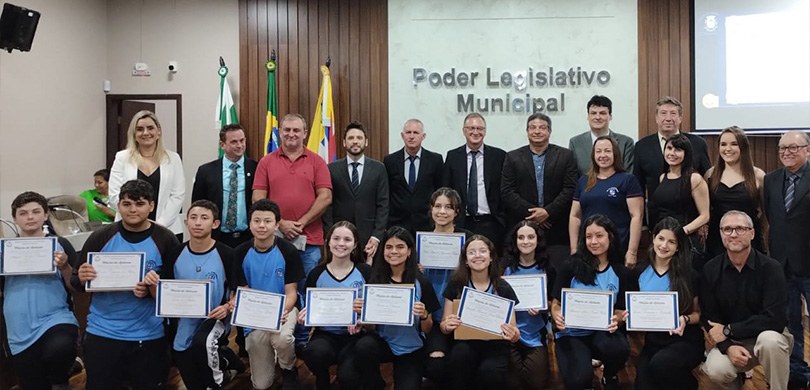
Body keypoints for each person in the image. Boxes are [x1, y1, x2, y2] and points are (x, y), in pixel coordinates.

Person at [74, 179, 180, 390]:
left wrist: (152, 290)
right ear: (119, 205)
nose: (132, 210)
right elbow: (76, 283)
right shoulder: (100, 237)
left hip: (148, 334)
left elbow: (174, 296)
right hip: (102, 332)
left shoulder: (166, 239)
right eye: (126, 204)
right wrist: (82, 276)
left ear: (151, 206)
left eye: (140, 204)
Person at [252, 113, 332, 349]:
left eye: (296, 130)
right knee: (276, 289)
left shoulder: (317, 161)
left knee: (307, 290)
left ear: (305, 133)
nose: (291, 134)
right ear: (280, 132)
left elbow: (326, 196)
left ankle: (301, 341)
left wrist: (301, 222)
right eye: (286, 130)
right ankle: (275, 341)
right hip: (274, 240)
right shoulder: (266, 162)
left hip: (310, 240)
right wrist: (280, 223)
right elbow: (258, 197)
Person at [155, 200, 244, 390]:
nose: (197, 223)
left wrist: (227, 307)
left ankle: (215, 384)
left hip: (216, 317)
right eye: (193, 218)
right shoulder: (175, 253)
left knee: (203, 343)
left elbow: (239, 290)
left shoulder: (227, 253)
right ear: (186, 222)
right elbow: (166, 289)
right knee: (181, 351)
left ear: (215, 224)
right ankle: (226, 359)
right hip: (185, 317)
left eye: (204, 218)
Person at [701, 211, 792, 390]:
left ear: (751, 233)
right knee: (715, 369)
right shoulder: (710, 270)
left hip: (768, 335)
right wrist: (728, 347)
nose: (733, 234)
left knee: (770, 342)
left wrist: (729, 330)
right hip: (733, 341)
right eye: (727, 229)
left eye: (740, 229)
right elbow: (710, 318)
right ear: (720, 234)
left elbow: (775, 318)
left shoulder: (772, 268)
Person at [3, 191, 79, 390]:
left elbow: (76, 287)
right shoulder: (5, 250)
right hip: (18, 324)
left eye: (36, 212)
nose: (30, 217)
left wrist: (64, 267)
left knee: (59, 350)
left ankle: (64, 373)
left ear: (45, 215)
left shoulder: (61, 245)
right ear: (15, 218)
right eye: (23, 213)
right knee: (32, 383)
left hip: (55, 317)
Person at [352, 226, 440, 389]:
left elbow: (427, 329)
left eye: (400, 247)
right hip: (383, 341)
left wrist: (423, 315)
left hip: (412, 348)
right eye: (389, 247)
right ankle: (376, 384)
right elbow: (371, 328)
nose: (394, 252)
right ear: (383, 250)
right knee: (363, 347)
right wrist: (363, 313)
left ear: (409, 252)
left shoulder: (422, 282)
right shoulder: (375, 281)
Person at [551, 214, 630, 390]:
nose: (593, 241)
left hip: (602, 332)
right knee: (579, 381)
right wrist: (557, 315)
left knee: (619, 349)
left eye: (599, 235)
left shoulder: (621, 272)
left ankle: (609, 374)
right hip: (572, 333)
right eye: (588, 236)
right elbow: (556, 303)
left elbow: (621, 310)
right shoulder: (570, 266)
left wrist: (617, 319)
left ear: (611, 236)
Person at [232, 199, 304, 390]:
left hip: (285, 309)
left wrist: (282, 311)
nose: (262, 226)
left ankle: (288, 367)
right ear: (250, 223)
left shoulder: (288, 251)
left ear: (277, 224)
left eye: (267, 221)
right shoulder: (239, 253)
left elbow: (291, 293)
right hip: (255, 315)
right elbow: (243, 291)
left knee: (282, 339)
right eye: (257, 221)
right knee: (262, 385)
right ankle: (270, 364)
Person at [630, 217, 703, 390]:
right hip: (654, 341)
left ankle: (689, 384)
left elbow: (699, 314)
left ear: (678, 246)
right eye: (661, 238)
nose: (664, 245)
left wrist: (684, 319)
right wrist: (631, 316)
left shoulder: (689, 275)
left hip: (685, 340)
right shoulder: (639, 272)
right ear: (653, 238)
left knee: (661, 365)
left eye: (671, 242)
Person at [440, 235, 521, 390]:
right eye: (472, 252)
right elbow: (444, 326)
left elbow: (514, 331)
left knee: (489, 372)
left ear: (491, 257)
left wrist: (513, 334)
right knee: (459, 358)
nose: (477, 255)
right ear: (465, 260)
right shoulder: (456, 285)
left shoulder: (503, 287)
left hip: (495, 346)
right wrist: (447, 325)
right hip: (465, 343)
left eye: (483, 251)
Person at [297, 221, 372, 390]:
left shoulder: (365, 271)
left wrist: (362, 317)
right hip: (325, 334)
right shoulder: (317, 273)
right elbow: (311, 307)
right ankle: (321, 378)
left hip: (355, 337)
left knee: (348, 379)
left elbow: (375, 308)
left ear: (355, 245)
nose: (341, 244)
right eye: (336, 238)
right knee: (314, 353)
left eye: (347, 239)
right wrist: (307, 315)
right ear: (328, 242)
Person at [762, 130, 810, 387]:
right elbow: (773, 217)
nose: (787, 152)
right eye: (783, 148)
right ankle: (798, 374)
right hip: (782, 264)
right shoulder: (770, 180)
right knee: (791, 324)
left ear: (807, 150)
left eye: (793, 147)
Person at [502, 113, 579, 270]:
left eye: (542, 128)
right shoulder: (512, 157)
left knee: (557, 273)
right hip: (521, 227)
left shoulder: (566, 156)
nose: (537, 131)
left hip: (557, 229)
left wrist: (548, 211)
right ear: (527, 131)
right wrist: (534, 214)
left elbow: (570, 188)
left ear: (549, 131)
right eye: (533, 127)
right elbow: (507, 191)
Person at [420, 187, 473, 385]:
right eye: (438, 206)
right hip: (432, 314)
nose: (442, 212)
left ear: (456, 212)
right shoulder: (420, 240)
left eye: (448, 207)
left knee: (462, 360)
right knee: (436, 366)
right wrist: (416, 270)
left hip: (461, 315)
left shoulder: (468, 239)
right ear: (431, 209)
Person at [109, 110, 186, 240]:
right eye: (139, 129)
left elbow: (177, 195)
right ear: (134, 134)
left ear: (158, 131)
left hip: (167, 229)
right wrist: (136, 219)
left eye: (150, 128)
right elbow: (114, 195)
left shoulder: (173, 158)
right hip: (129, 229)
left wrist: (160, 224)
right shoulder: (122, 157)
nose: (145, 133)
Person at [569, 136, 644, 267]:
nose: (602, 155)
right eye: (598, 151)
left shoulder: (628, 180)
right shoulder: (583, 181)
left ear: (615, 154)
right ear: (593, 155)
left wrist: (632, 252)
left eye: (607, 151)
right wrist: (574, 249)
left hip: (618, 248)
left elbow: (636, 216)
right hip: (588, 248)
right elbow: (575, 216)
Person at [325, 120, 389, 262]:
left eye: (359, 138)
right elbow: (328, 205)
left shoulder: (378, 168)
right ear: (344, 142)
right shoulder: (331, 169)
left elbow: (383, 204)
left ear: (366, 142)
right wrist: (330, 234)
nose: (355, 141)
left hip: (369, 238)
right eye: (351, 138)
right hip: (340, 238)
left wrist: (376, 235)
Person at [502, 221, 554, 390]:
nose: (526, 241)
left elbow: (553, 302)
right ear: (515, 241)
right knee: (513, 383)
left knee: (537, 383)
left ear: (538, 240)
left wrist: (544, 306)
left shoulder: (547, 269)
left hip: (535, 334)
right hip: (508, 333)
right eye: (521, 237)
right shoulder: (504, 268)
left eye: (531, 237)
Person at [442, 113, 507, 248]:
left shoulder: (499, 156)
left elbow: (505, 189)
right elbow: (446, 190)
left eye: (479, 128)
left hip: (491, 222)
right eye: (471, 128)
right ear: (464, 131)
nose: (475, 132)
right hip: (461, 222)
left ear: (485, 131)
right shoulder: (453, 156)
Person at [633, 96, 710, 207]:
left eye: (673, 114)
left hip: (690, 214)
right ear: (656, 118)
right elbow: (638, 186)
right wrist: (643, 222)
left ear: (680, 118)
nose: (668, 118)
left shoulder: (698, 143)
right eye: (663, 113)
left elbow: (707, 178)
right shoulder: (642, 146)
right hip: (656, 215)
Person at [648, 134, 710, 269]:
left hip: (685, 240)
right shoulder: (662, 177)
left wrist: (681, 232)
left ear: (686, 154)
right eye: (669, 148)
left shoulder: (694, 179)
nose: (672, 153)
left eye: (678, 150)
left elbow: (705, 215)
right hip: (663, 241)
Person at [192, 123, 258, 249]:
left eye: (242, 140)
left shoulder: (256, 168)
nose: (239, 145)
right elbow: (197, 205)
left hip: (248, 237)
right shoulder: (206, 171)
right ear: (222, 145)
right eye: (234, 142)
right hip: (216, 237)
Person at [704, 126, 766, 259]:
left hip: (749, 242)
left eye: (734, 144)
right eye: (723, 144)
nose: (728, 149)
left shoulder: (758, 176)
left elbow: (766, 215)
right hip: (717, 241)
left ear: (743, 147)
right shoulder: (710, 175)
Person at [384, 118, 444, 234]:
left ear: (423, 136)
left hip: (426, 224)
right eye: (408, 132)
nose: (411, 136)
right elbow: (387, 193)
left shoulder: (435, 160)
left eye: (416, 133)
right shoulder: (390, 161)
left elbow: (440, 191)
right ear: (402, 136)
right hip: (397, 224)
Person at [568, 95, 635, 176]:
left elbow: (628, 175)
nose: (597, 117)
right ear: (588, 116)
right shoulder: (575, 143)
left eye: (602, 113)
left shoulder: (626, 142)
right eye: (593, 113)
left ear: (610, 116)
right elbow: (573, 175)